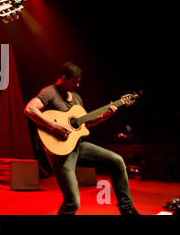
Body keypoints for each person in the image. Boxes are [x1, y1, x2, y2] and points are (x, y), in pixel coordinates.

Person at [24, 62, 139, 215]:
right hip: (61, 152)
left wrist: (104, 116)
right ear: (64, 78)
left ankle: (128, 210)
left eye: (79, 81)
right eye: (74, 81)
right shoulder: (50, 92)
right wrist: (55, 126)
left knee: (117, 160)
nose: (78, 85)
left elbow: (84, 124)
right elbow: (29, 109)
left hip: (78, 146)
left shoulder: (76, 98)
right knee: (73, 202)